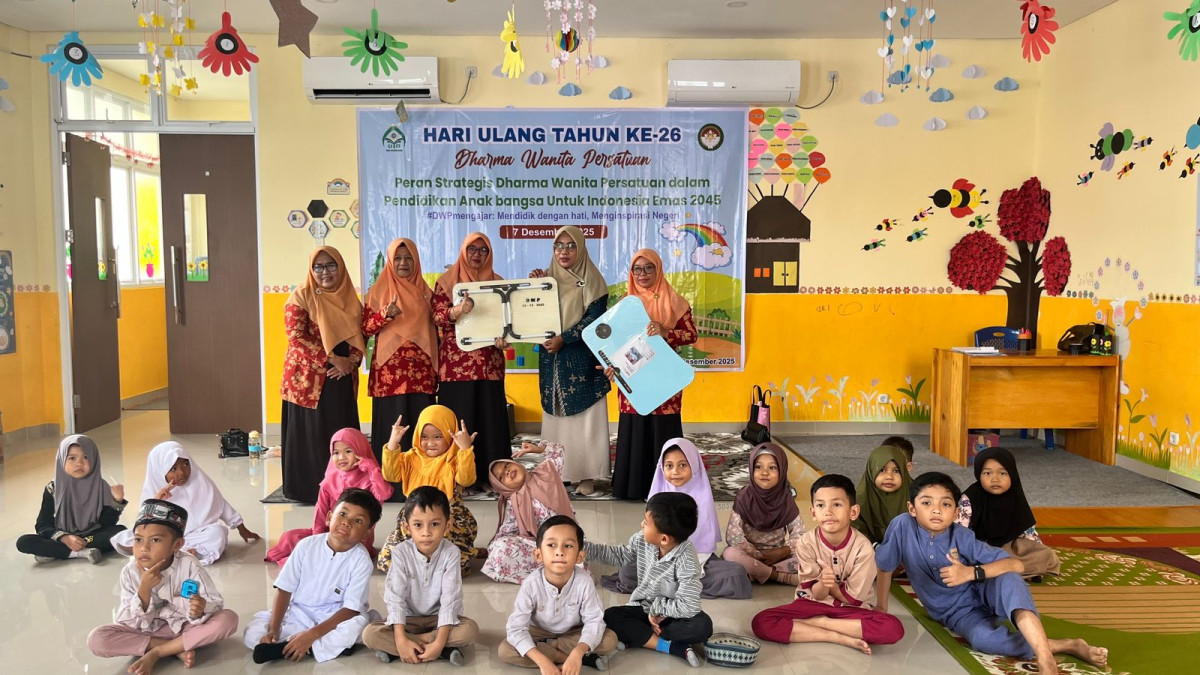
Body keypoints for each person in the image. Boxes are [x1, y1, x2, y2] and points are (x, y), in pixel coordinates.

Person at [875, 473, 1108, 675]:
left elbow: (1016, 565)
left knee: (1010, 578)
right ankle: (1067, 645)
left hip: (984, 590)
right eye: (926, 503)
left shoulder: (961, 535)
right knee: (983, 640)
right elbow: (885, 565)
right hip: (957, 613)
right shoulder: (902, 526)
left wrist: (970, 573)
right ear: (912, 508)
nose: (936, 510)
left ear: (956, 512)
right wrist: (881, 607)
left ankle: (1045, 659)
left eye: (945, 504)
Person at [751, 474, 904, 653]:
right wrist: (824, 583)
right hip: (811, 605)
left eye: (837, 505)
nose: (828, 511)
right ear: (813, 512)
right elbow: (816, 595)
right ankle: (836, 636)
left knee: (893, 628)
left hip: (849, 609)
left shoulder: (863, 548)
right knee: (761, 622)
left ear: (853, 512)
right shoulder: (806, 542)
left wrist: (833, 587)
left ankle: (818, 623)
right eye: (821, 505)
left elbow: (853, 599)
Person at [87, 500, 239, 675]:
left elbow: (213, 602)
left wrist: (200, 608)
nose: (144, 548)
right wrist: (144, 590)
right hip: (147, 631)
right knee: (97, 639)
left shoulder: (189, 564)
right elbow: (127, 621)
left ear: (177, 545)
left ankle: (159, 651)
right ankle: (175, 648)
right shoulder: (130, 572)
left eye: (155, 540)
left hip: (185, 626)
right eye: (138, 540)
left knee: (228, 619)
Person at [244, 488, 382, 664]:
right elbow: (284, 589)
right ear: (329, 517)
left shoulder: (361, 560)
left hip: (334, 617)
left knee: (357, 626)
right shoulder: (306, 545)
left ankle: (297, 647)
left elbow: (351, 609)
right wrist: (274, 630)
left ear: (367, 534)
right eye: (343, 514)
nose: (347, 523)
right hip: (299, 612)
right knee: (252, 632)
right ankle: (311, 646)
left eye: (358, 521)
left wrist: (311, 634)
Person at [602, 439, 751, 599]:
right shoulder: (657, 493)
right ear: (662, 467)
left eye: (682, 465)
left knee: (736, 574)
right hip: (659, 557)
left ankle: (665, 586)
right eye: (669, 466)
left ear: (694, 465)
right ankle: (678, 586)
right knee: (627, 571)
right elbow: (650, 536)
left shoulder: (703, 498)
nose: (675, 472)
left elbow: (701, 544)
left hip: (695, 560)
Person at [586, 492, 714, 668]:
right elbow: (620, 555)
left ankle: (640, 637)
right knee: (610, 616)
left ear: (664, 539)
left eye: (646, 523)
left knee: (703, 626)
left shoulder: (687, 560)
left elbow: (689, 606)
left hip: (672, 616)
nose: (642, 525)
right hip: (642, 608)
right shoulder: (641, 539)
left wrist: (658, 611)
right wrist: (584, 548)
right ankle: (670, 646)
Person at [609, 250, 697, 501]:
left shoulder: (676, 302)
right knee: (635, 425)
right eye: (637, 269)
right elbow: (613, 341)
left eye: (649, 268)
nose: (643, 274)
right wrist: (610, 365)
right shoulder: (624, 304)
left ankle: (667, 485)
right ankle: (633, 487)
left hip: (664, 375)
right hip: (633, 373)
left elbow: (691, 334)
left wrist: (665, 331)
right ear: (631, 273)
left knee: (663, 427)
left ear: (658, 270)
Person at [280, 246, 366, 503]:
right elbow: (296, 337)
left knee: (339, 430)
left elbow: (360, 335)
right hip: (307, 380)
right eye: (318, 267)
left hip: (341, 376)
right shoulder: (300, 296)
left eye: (331, 265)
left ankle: (343, 486)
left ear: (340, 267)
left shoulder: (350, 298)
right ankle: (309, 490)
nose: (325, 272)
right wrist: (333, 359)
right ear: (311, 269)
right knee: (311, 433)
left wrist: (351, 362)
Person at [530, 226, 611, 496]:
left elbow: (594, 320)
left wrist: (564, 338)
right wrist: (532, 288)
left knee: (585, 420)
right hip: (551, 360)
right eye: (559, 246)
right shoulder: (546, 281)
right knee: (557, 418)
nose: (564, 251)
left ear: (581, 249)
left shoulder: (594, 281)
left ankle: (586, 475)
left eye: (571, 246)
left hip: (581, 358)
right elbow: (530, 314)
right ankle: (560, 472)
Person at [363, 487, 480, 666]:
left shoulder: (451, 553)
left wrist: (439, 641)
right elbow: (395, 598)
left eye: (435, 524)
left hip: (438, 619)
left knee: (469, 631)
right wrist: (401, 638)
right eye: (418, 525)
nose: (426, 532)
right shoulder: (401, 552)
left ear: (447, 525)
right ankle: (438, 650)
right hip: (408, 619)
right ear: (406, 527)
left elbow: (450, 600)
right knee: (370, 634)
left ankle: (409, 648)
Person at [433, 232, 512, 492]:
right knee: (460, 421)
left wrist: (505, 338)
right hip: (456, 367)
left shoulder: (498, 283)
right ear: (463, 251)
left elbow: (508, 320)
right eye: (472, 249)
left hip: (489, 364)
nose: (477, 255)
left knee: (490, 421)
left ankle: (492, 476)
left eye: (483, 250)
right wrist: (456, 311)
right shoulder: (446, 282)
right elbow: (436, 316)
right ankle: (460, 477)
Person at [500, 515, 619, 671]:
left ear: (580, 556)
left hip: (573, 631)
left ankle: (553, 647)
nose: (560, 552)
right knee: (506, 650)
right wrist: (542, 662)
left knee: (609, 640)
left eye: (568, 546)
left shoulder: (584, 581)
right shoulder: (531, 584)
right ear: (538, 555)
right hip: (538, 631)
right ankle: (568, 658)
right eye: (551, 545)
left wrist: (578, 651)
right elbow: (516, 628)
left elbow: (594, 621)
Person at [112, 443, 259, 565]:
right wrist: (157, 501)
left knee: (218, 533)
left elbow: (222, 505)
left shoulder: (201, 482)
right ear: (159, 470)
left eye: (186, 464)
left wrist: (242, 529)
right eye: (173, 469)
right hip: (165, 536)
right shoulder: (154, 490)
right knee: (131, 537)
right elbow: (145, 525)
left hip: (197, 535)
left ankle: (185, 553)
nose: (182, 472)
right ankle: (174, 552)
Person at [363, 238, 439, 472]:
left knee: (420, 425)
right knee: (392, 425)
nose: (403, 263)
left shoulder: (426, 293)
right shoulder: (378, 292)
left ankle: (422, 475)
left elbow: (437, 327)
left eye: (408, 258)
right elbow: (365, 328)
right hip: (390, 374)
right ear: (390, 261)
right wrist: (384, 315)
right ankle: (390, 477)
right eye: (397, 258)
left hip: (421, 372)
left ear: (416, 261)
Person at [265, 428, 393, 567]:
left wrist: (371, 468)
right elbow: (320, 514)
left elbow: (384, 493)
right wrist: (317, 541)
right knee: (290, 537)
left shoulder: (370, 480)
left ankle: (310, 562)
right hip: (330, 533)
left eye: (348, 451)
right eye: (336, 453)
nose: (341, 457)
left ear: (361, 451)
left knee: (340, 557)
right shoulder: (329, 480)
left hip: (356, 537)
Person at [378, 404, 479, 574]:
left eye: (438, 437)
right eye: (424, 436)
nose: (430, 443)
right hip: (414, 521)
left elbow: (466, 479)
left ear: (451, 436)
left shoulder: (455, 459)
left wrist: (465, 449)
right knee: (386, 561)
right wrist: (393, 443)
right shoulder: (411, 457)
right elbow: (391, 475)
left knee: (457, 566)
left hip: (446, 523)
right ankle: (422, 565)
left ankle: (428, 565)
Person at [16, 434, 128, 564]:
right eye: (72, 458)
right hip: (61, 536)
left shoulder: (101, 487)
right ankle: (81, 552)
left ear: (94, 459)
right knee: (23, 542)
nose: (79, 463)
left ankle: (57, 551)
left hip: (91, 536)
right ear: (61, 459)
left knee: (119, 532)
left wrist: (117, 501)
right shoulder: (53, 488)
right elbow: (43, 525)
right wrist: (65, 538)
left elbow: (106, 524)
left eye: (86, 457)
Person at [956, 447, 1061, 580]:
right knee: (964, 555)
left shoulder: (1015, 496)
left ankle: (992, 571)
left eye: (1002, 473)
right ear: (979, 474)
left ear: (1012, 474)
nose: (995, 479)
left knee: (1045, 555)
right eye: (987, 473)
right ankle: (1002, 570)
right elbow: (960, 530)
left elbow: (1028, 531)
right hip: (979, 547)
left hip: (1008, 548)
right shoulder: (970, 498)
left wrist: (1036, 548)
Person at [482, 441, 576, 584]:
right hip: (540, 545)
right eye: (501, 477)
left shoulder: (544, 473)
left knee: (568, 550)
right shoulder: (514, 501)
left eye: (506, 465)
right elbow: (509, 528)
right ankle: (552, 571)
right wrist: (494, 546)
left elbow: (559, 452)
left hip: (566, 539)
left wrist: (539, 449)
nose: (507, 471)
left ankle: (560, 567)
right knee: (501, 549)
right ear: (502, 488)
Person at [723, 443, 804, 585]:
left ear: (782, 471)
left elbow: (800, 534)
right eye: (758, 467)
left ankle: (757, 572)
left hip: (779, 555)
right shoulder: (743, 497)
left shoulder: (786, 500)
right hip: (749, 555)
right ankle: (777, 575)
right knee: (730, 553)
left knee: (810, 556)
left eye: (772, 468)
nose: (764, 472)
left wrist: (783, 551)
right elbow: (733, 536)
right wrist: (757, 555)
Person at [851, 445, 913, 545]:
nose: (889, 477)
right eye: (882, 470)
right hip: (868, 548)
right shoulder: (859, 498)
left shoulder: (917, 495)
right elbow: (854, 530)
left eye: (896, 471)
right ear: (871, 470)